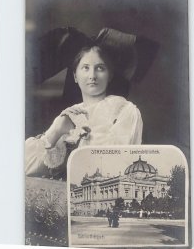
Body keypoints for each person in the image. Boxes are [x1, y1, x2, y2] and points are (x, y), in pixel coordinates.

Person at [25, 27, 158, 179]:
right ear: (75, 76)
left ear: (110, 75)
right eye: (85, 68)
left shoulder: (125, 110)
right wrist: (56, 130)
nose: (92, 75)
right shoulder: (69, 115)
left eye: (100, 68)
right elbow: (24, 166)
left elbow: (113, 166)